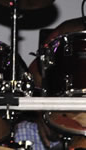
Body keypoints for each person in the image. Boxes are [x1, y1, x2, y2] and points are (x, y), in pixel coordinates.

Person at [15, 17, 86, 150]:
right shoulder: (49, 59)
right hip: (55, 128)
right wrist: (41, 111)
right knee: (24, 133)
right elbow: (32, 77)